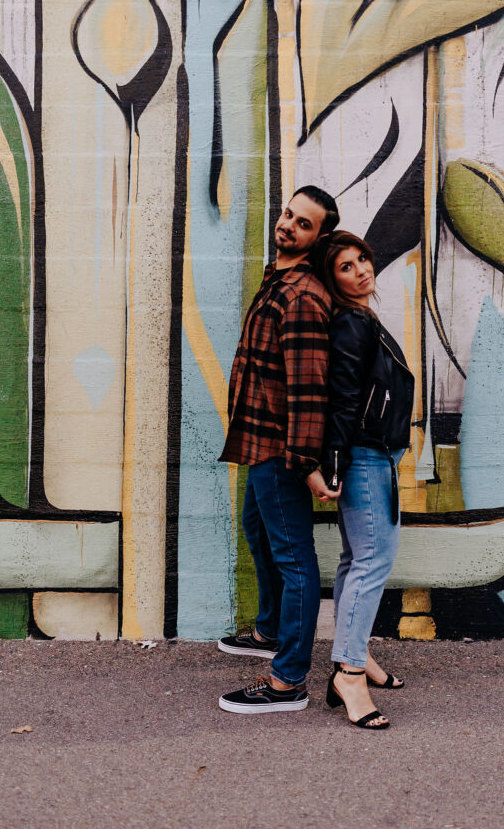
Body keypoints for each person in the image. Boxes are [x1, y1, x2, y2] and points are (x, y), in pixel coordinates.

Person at [217, 186, 341, 714]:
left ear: (319, 238)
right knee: (257, 531)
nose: (288, 224)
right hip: (258, 440)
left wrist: (306, 463)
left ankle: (288, 680)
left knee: (295, 561)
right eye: (288, 214)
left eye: (304, 223)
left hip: (280, 449)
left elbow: (309, 390)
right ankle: (270, 629)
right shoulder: (279, 279)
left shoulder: (302, 296)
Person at [309, 230, 414, 730]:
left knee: (358, 559)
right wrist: (332, 465)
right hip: (366, 457)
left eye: (363, 260)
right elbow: (344, 401)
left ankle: (357, 654)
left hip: (373, 454)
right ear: (333, 280)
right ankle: (348, 675)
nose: (361, 271)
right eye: (346, 267)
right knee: (373, 561)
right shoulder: (351, 321)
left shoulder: (361, 315)